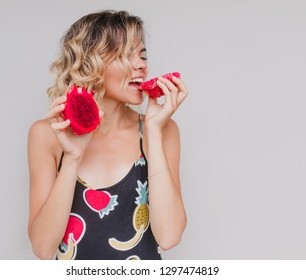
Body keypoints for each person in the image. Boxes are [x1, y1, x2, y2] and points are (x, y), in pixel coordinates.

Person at [27, 10, 188, 260]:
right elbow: (43, 248)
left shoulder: (163, 130)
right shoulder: (48, 134)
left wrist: (153, 132)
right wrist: (72, 157)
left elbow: (168, 237)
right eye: (126, 55)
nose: (141, 65)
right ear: (91, 63)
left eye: (142, 55)